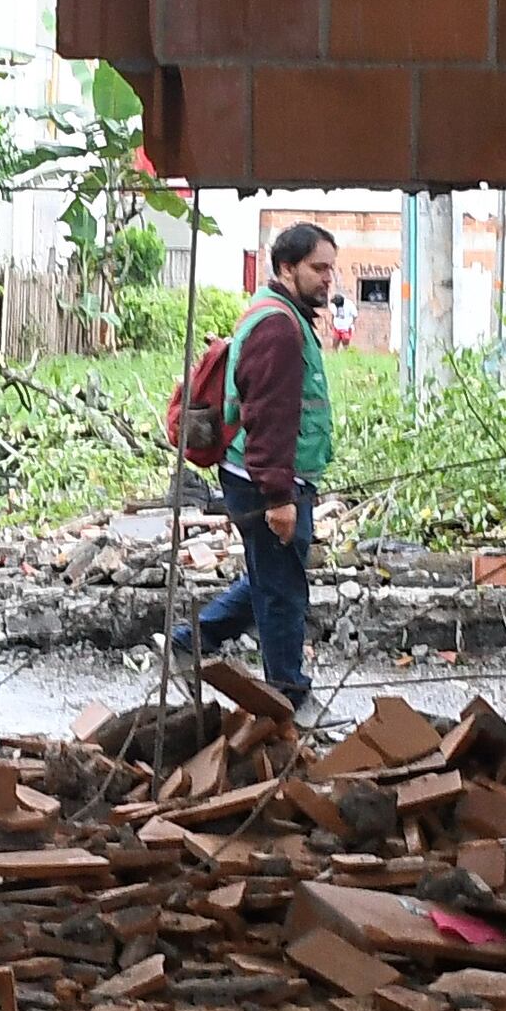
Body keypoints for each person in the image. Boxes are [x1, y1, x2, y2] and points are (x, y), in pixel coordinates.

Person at [193, 222, 337, 706]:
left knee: (269, 577)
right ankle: (289, 699)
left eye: (330, 270)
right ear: (286, 268)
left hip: (269, 478)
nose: (327, 280)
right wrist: (279, 498)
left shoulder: (281, 314)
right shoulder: (278, 327)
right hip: (269, 483)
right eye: (318, 269)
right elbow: (270, 418)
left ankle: (191, 639)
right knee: (283, 593)